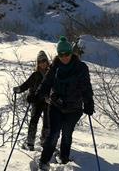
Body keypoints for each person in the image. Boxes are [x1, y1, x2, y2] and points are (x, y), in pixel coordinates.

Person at [35, 36, 94, 170]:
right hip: (56, 106)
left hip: (74, 108)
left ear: (71, 53)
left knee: (67, 134)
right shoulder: (54, 67)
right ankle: (44, 161)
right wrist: (37, 94)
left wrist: (89, 103)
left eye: (67, 53)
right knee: (53, 134)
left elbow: (86, 87)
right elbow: (46, 83)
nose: (64, 57)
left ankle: (64, 158)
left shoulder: (81, 68)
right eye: (61, 54)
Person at [13, 50, 50, 151]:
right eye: (40, 61)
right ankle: (30, 142)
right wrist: (19, 89)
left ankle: (45, 141)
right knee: (34, 121)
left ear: (47, 61)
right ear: (38, 63)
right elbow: (26, 85)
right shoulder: (35, 75)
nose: (42, 63)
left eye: (44, 60)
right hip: (37, 101)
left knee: (48, 122)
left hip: (48, 102)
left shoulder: (51, 73)